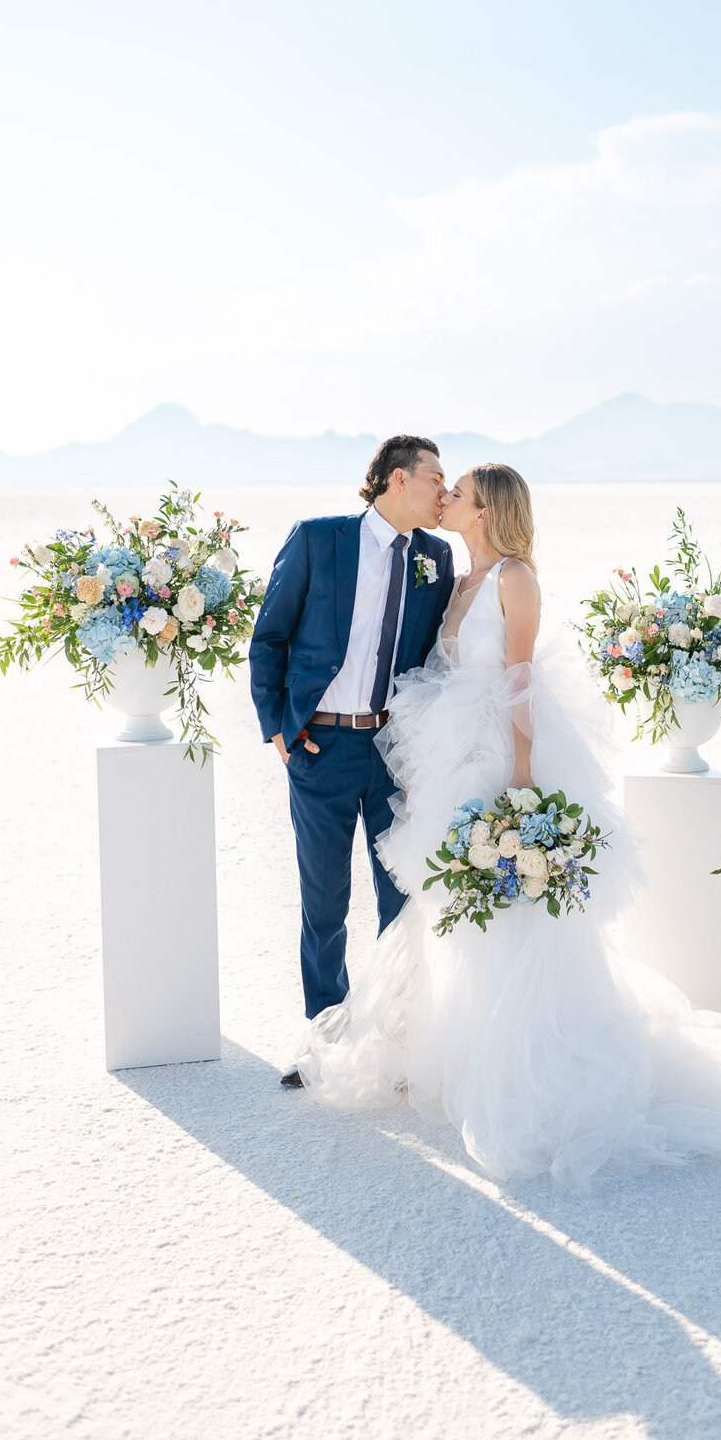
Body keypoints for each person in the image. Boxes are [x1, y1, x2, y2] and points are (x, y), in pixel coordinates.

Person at [294, 462, 721, 1189]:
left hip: (500, 757)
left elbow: (520, 677)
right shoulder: (456, 576)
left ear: (485, 510)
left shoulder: (513, 578)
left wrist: (524, 772)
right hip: (450, 757)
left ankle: (525, 1061)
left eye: (459, 494)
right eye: (443, 488)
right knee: (448, 910)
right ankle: (456, 1047)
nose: (446, 498)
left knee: (510, 912)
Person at [248, 436, 454, 1080]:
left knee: (401, 899)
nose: (444, 492)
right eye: (435, 477)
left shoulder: (437, 557)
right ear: (398, 479)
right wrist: (278, 731)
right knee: (324, 900)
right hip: (321, 746)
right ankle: (325, 1042)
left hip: (395, 749)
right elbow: (270, 637)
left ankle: (393, 1041)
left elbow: (435, 660)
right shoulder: (318, 539)